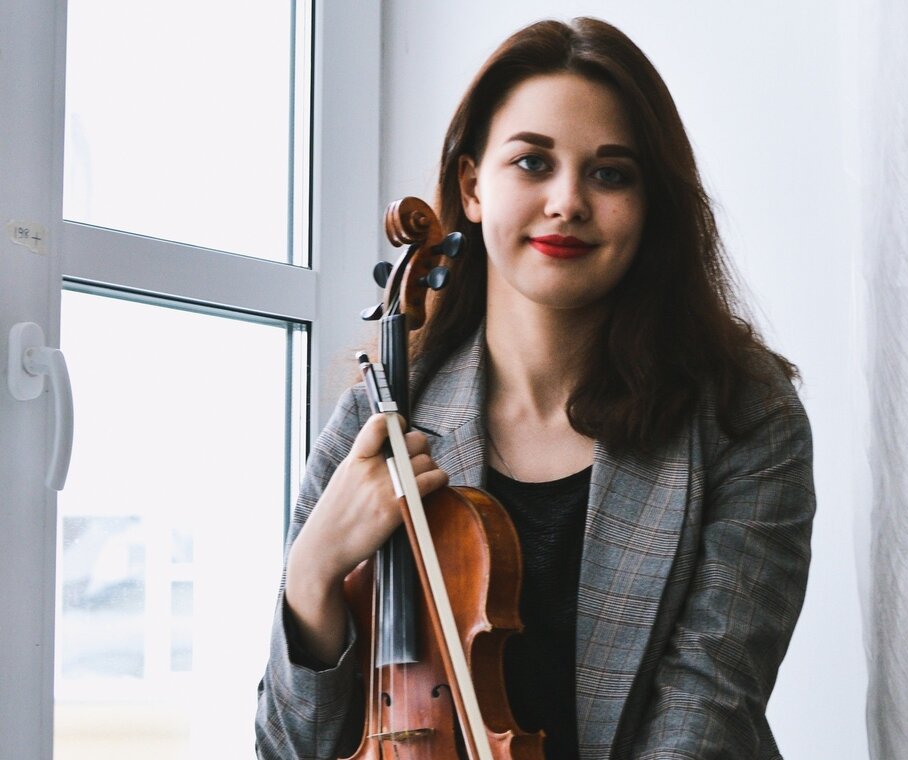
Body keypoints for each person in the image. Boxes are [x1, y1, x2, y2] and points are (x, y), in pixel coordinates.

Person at [254, 17, 814, 760]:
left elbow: (709, 705)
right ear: (471, 186)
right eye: (532, 163)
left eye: (611, 174)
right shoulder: (382, 410)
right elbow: (287, 747)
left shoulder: (745, 415)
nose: (567, 201)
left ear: (649, 204)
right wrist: (312, 570)